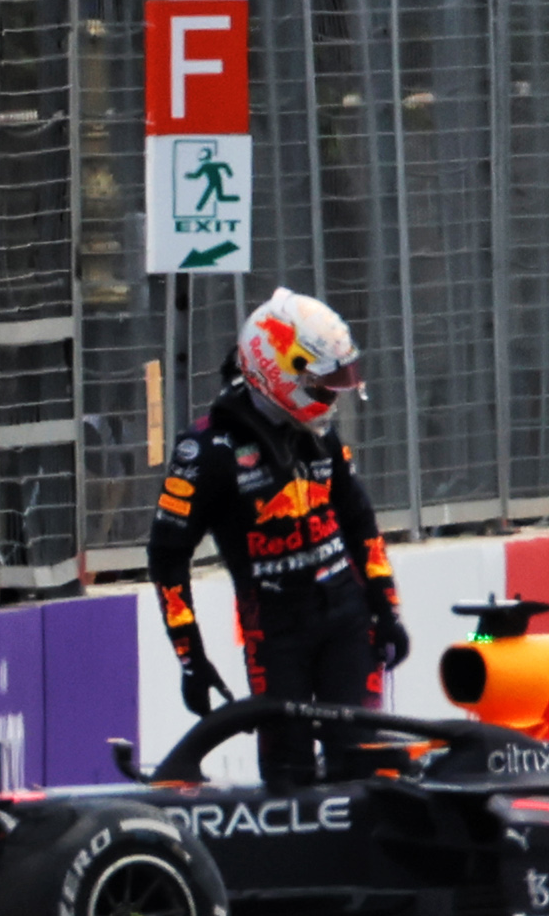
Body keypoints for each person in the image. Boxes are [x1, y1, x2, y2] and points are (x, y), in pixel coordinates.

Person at [145, 288, 409, 789]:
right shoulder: (205, 452)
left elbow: (360, 523)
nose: (332, 396)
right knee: (287, 769)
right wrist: (191, 658)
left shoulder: (319, 432)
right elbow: (166, 557)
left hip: (346, 618)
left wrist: (385, 607)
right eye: (323, 384)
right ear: (281, 369)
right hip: (274, 629)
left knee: (361, 761)